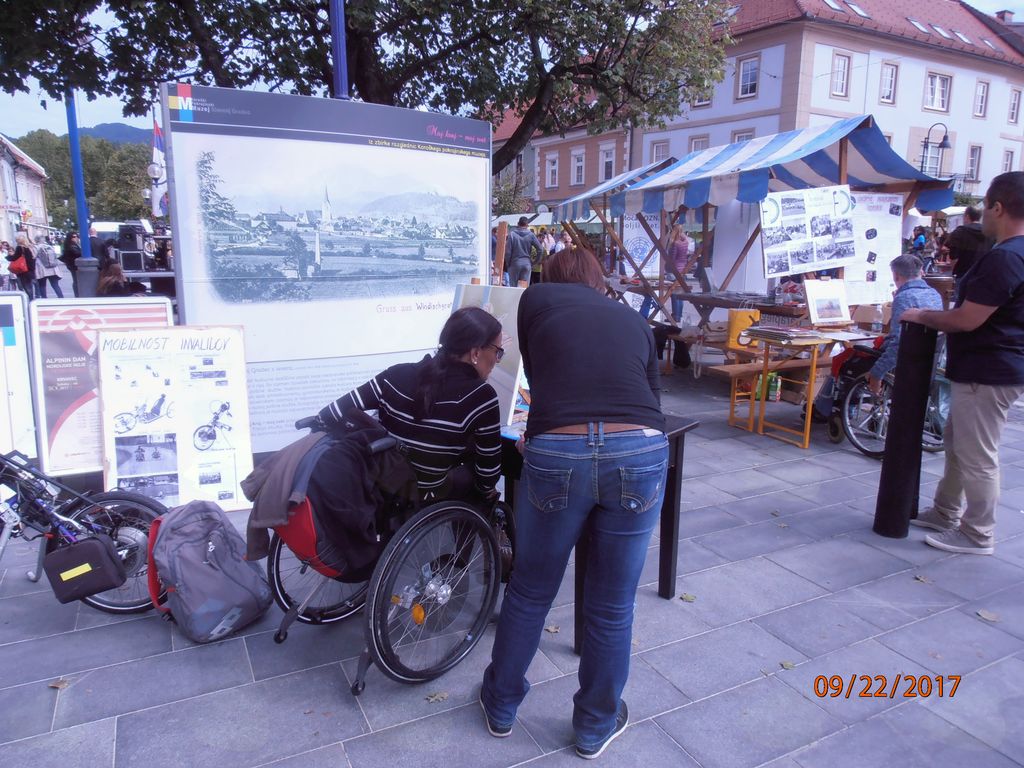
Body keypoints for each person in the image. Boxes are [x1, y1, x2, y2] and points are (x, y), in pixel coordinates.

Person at [480, 248, 667, 759]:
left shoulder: (535, 301)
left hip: (558, 450)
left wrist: (544, 435)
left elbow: (542, 381)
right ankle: (594, 726)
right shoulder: (635, 321)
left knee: (530, 590)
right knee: (613, 604)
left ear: (552, 277)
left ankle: (500, 705)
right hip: (640, 449)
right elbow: (653, 402)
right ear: (598, 280)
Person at [901, 172, 1024, 555]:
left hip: (987, 371)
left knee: (977, 455)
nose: (982, 213)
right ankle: (945, 512)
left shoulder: (1006, 257)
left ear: (997, 208)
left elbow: (968, 319)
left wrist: (922, 316)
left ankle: (977, 533)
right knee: (958, 446)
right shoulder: (1013, 253)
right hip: (990, 367)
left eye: (985, 205)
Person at [318, 306, 503, 502]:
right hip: (424, 499)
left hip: (376, 491)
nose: (497, 360)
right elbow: (487, 477)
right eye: (497, 352)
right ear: (476, 353)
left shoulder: (395, 375)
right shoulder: (482, 397)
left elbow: (328, 415)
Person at [866, 254, 943, 394]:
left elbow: (899, 341)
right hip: (929, 360)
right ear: (921, 272)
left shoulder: (904, 297)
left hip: (907, 361)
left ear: (896, 276)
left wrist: (877, 373)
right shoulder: (934, 294)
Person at [946, 206, 992, 282]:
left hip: (962, 275)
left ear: (967, 216)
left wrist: (954, 272)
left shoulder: (960, 232)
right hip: (983, 276)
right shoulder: (989, 233)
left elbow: (953, 257)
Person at [505, 217, 542, 287]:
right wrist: (535, 262)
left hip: (514, 263)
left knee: (513, 288)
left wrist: (508, 263)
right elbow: (540, 249)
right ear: (527, 225)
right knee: (523, 289)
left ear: (518, 224)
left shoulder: (512, 234)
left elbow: (508, 252)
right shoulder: (531, 235)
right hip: (526, 263)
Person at [33, 233, 64, 298]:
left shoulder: (36, 247)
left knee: (42, 285)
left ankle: (44, 299)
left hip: (42, 269)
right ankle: (61, 297)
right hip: (52, 268)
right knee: (55, 285)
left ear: (36, 240)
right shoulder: (49, 246)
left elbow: (33, 257)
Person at [60, 232, 82, 297]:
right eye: (74, 237)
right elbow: (78, 253)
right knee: (76, 280)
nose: (76, 238)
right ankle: (77, 294)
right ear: (70, 238)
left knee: (76, 280)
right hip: (74, 265)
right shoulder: (72, 246)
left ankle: (77, 294)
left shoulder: (72, 245)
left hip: (72, 265)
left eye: (77, 236)